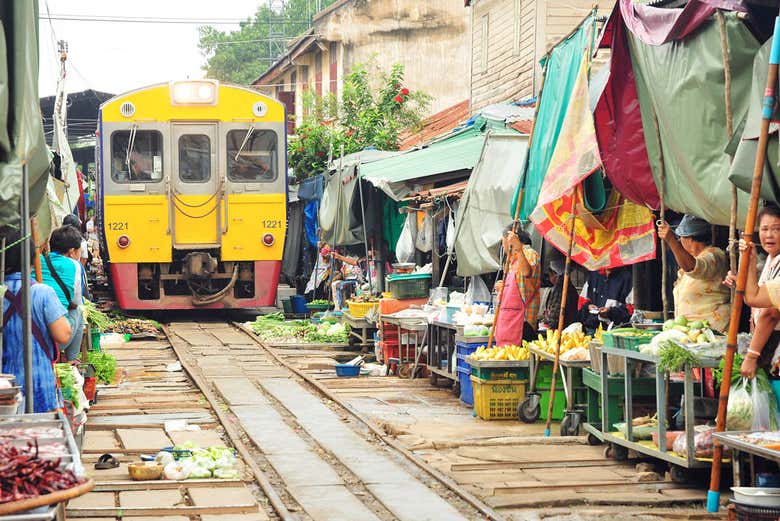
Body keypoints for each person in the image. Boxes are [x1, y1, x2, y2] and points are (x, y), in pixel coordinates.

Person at [2, 230, 71, 413]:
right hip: (39, 385)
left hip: (4, 388)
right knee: (37, 437)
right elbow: (63, 335)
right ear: (33, 259)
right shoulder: (42, 292)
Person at [724, 205, 780, 378]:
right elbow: (755, 293)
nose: (769, 235)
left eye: (776, 229)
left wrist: (752, 355)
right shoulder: (772, 259)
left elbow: (770, 312)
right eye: (764, 229)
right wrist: (740, 281)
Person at [658, 214, 730, 332]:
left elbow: (694, 268)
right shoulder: (692, 259)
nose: (680, 241)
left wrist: (671, 241)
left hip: (711, 332)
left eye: (680, 238)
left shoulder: (714, 256)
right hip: (690, 332)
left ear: (689, 238)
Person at [41, 225, 87, 361]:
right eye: (79, 251)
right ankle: (72, 361)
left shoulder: (38, 261)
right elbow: (76, 302)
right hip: (55, 340)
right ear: (72, 252)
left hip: (30, 337)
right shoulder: (75, 266)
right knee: (78, 312)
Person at [493, 225, 541, 345]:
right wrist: (502, 287)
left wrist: (519, 249)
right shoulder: (511, 261)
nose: (504, 248)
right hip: (507, 322)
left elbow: (526, 273)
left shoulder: (530, 254)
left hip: (523, 323)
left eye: (504, 244)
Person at [577, 267, 633, 333]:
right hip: (592, 328)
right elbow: (581, 305)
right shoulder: (593, 275)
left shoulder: (627, 278)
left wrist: (610, 312)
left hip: (616, 330)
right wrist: (588, 306)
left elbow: (631, 310)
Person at [540, 258, 578, 330]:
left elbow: (555, 316)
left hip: (563, 328)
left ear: (555, 275)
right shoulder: (568, 287)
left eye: (550, 275)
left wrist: (546, 325)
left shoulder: (561, 288)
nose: (549, 278)